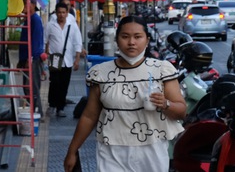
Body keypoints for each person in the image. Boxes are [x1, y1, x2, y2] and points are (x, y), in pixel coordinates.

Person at [64, 16, 186, 172]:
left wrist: (165, 104)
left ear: (147, 40)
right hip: (111, 151)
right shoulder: (101, 73)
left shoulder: (162, 69)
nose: (131, 42)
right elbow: (89, 115)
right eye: (125, 37)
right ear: (116, 39)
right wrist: (72, 150)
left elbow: (182, 111)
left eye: (138, 37)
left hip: (151, 149)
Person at [45, 2, 82, 117]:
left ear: (67, 14)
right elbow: (45, 40)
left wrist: (77, 59)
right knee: (54, 82)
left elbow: (77, 42)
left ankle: (60, 107)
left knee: (64, 84)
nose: (61, 15)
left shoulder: (72, 26)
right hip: (55, 57)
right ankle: (52, 105)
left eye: (63, 12)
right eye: (59, 12)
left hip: (68, 59)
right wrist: (45, 53)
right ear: (56, 13)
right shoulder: (50, 25)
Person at [17, 0, 45, 116]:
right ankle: (31, 110)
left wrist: (30, 58)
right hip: (27, 58)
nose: (23, 7)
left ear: (33, 5)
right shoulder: (28, 19)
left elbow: (36, 41)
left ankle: (37, 112)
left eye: (25, 4)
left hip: (32, 59)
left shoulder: (35, 20)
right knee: (27, 87)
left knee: (32, 87)